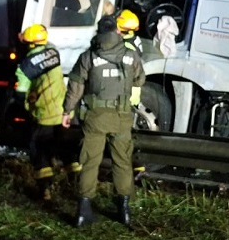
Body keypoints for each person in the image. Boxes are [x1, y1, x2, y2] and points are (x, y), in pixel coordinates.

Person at [61, 17, 145, 227]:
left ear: (98, 32)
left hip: (94, 117)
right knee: (122, 162)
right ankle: (124, 209)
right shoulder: (130, 54)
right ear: (117, 31)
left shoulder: (88, 56)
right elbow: (139, 79)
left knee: (90, 162)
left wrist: (67, 111)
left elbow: (75, 86)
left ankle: (84, 210)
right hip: (121, 117)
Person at [14, 24, 76, 201]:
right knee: (67, 147)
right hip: (64, 112)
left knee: (39, 148)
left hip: (45, 114)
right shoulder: (53, 51)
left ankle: (45, 190)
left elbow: (20, 93)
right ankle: (75, 184)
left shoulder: (25, 67)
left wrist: (25, 106)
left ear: (30, 44)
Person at [115, 9, 147, 179]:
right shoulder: (135, 41)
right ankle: (136, 166)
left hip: (125, 94)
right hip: (133, 94)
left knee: (122, 134)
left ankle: (135, 167)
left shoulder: (124, 47)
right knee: (126, 132)